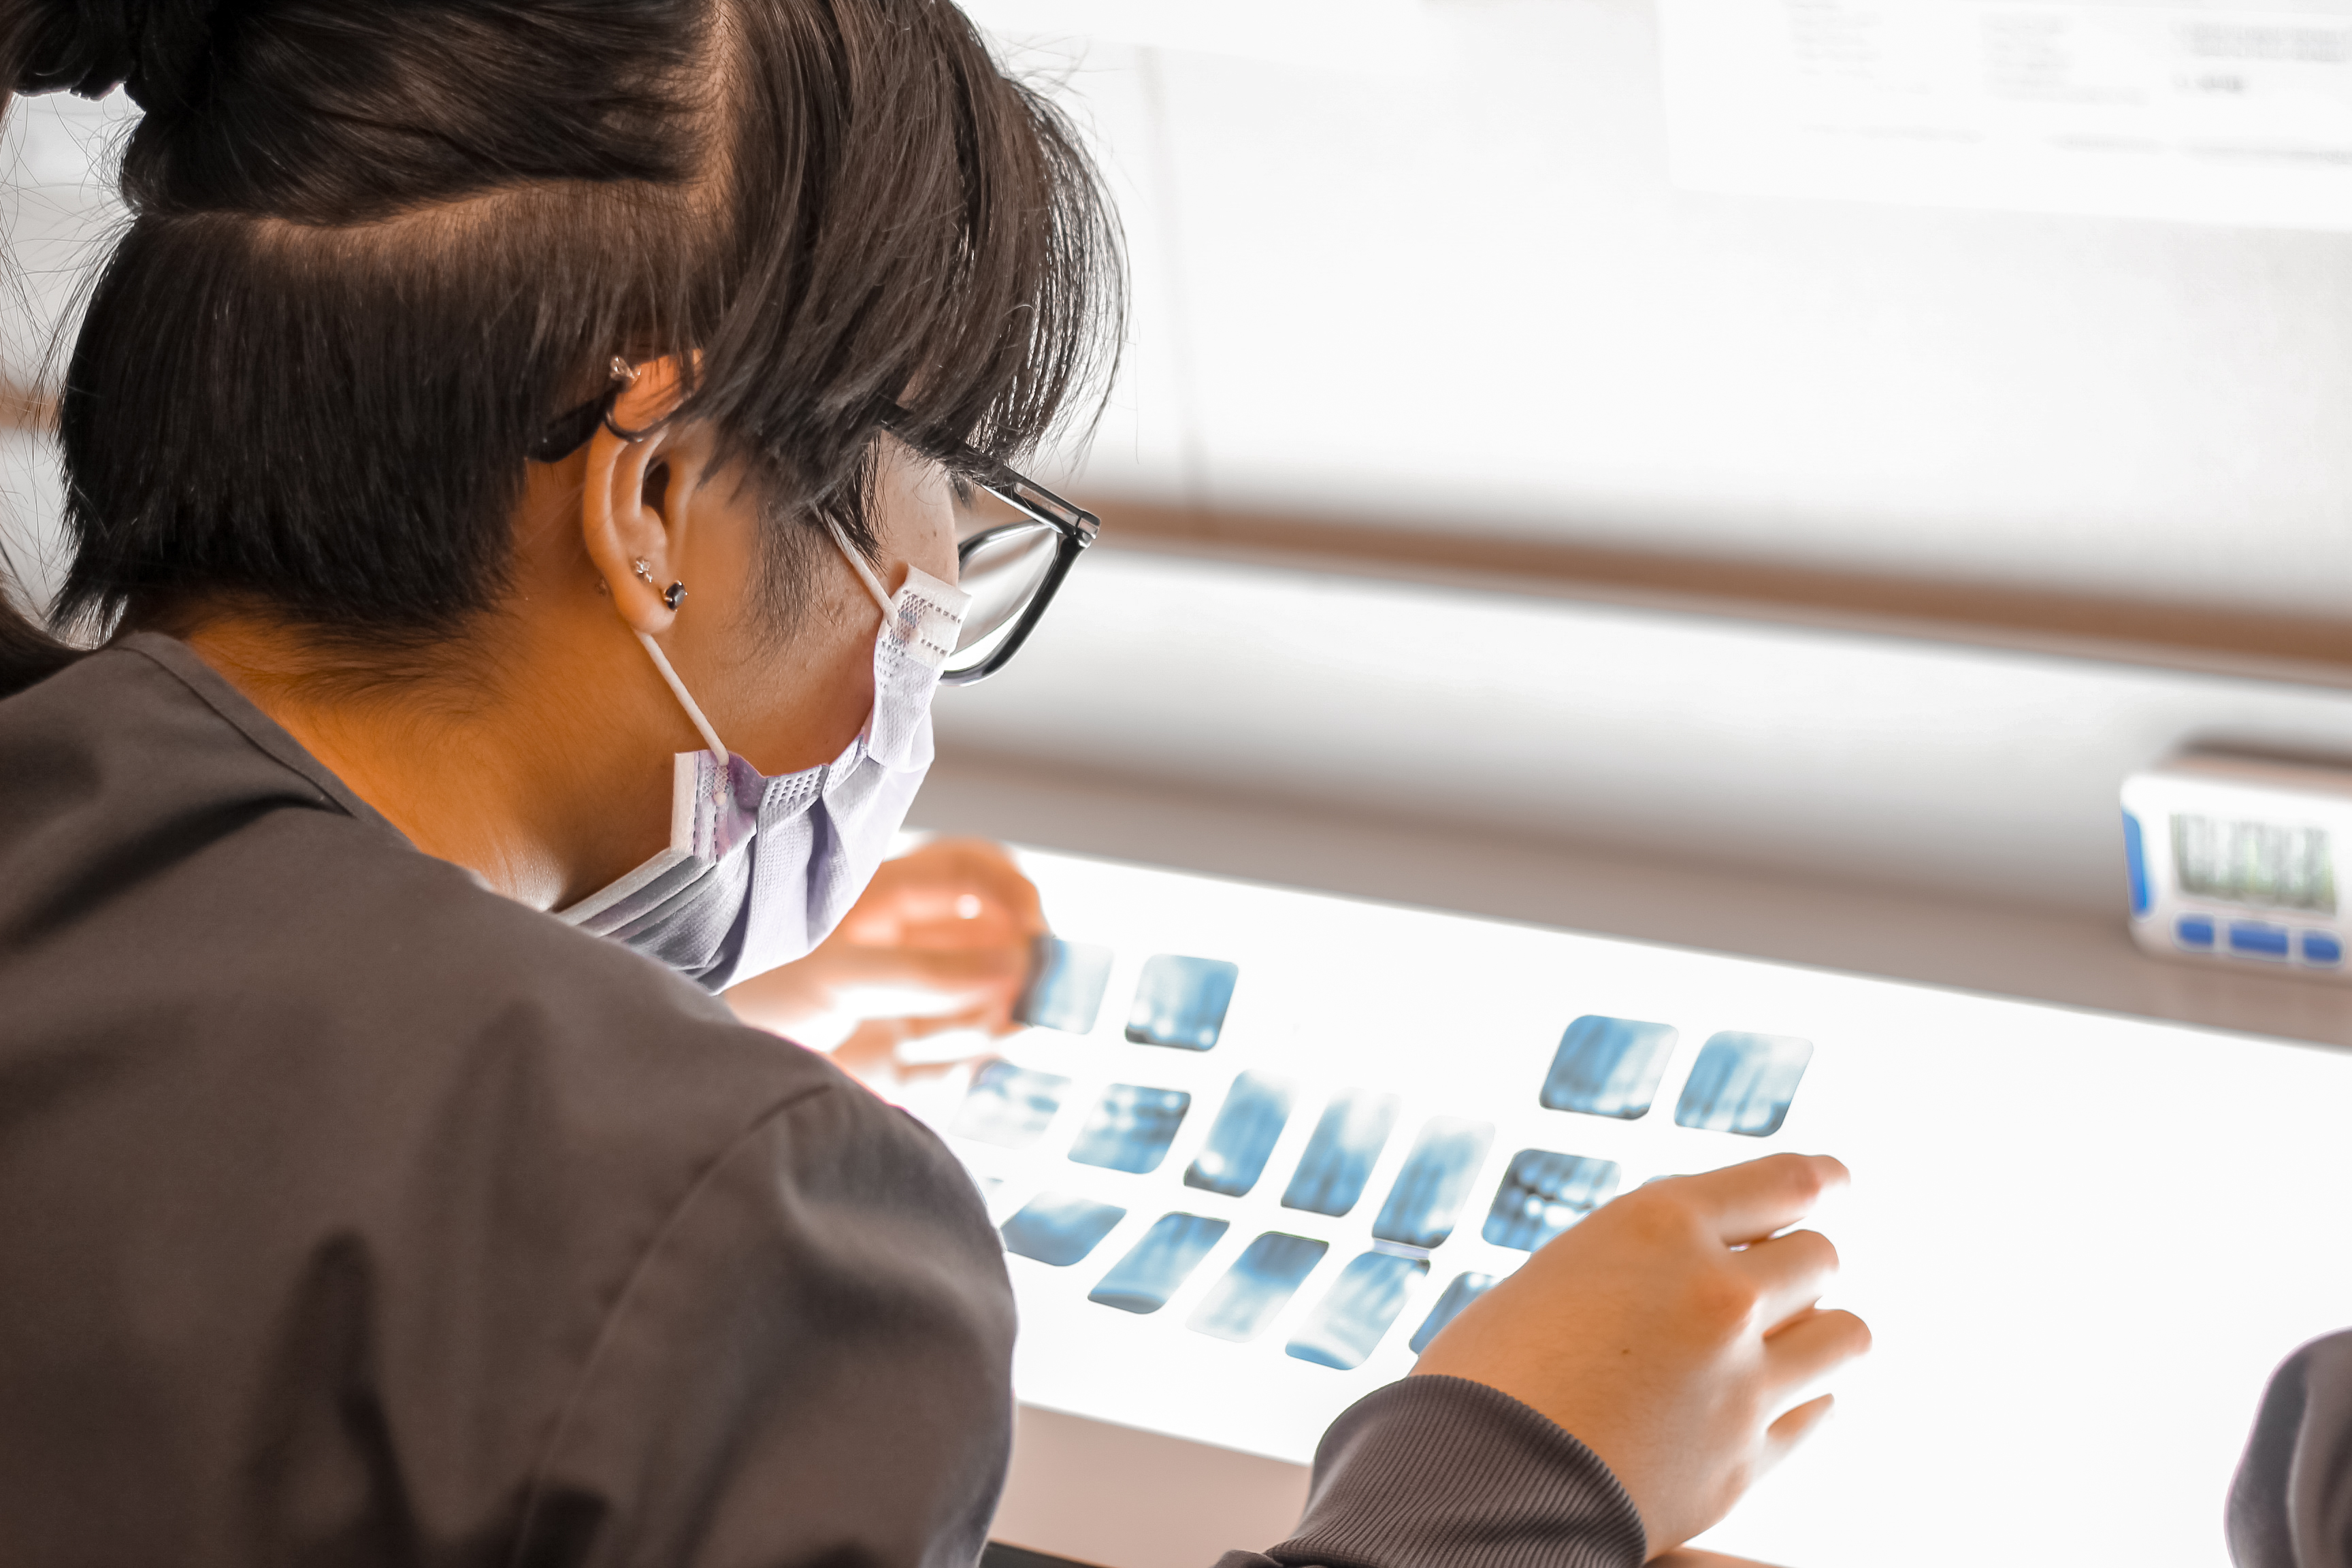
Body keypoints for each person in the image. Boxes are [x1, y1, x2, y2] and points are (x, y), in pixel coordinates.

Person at [0, 1, 1872, 1564]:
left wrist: (597, 1051)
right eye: (943, 519)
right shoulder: (742, 1215)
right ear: (653, 501)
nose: (924, 603)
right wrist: (1510, 1473)